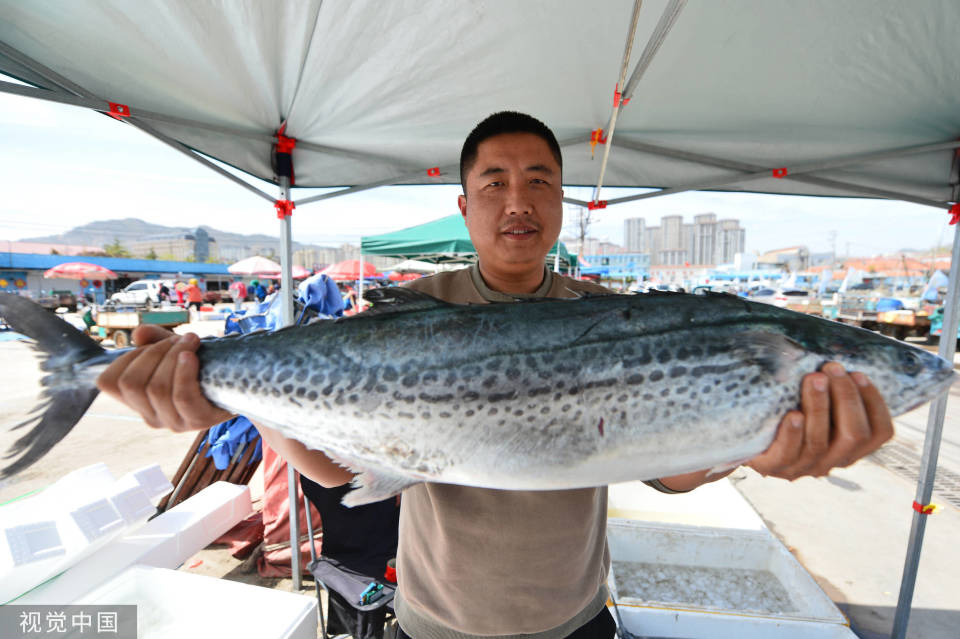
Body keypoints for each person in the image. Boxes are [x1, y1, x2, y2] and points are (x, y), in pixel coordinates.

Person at [96, 112, 894, 639]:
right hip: (434, 621)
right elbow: (339, 470)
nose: (519, 199)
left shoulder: (606, 315)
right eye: (497, 182)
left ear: (561, 201)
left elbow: (669, 471)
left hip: (575, 618)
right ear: (468, 203)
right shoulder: (402, 314)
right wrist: (240, 395)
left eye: (540, 179)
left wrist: (751, 444)